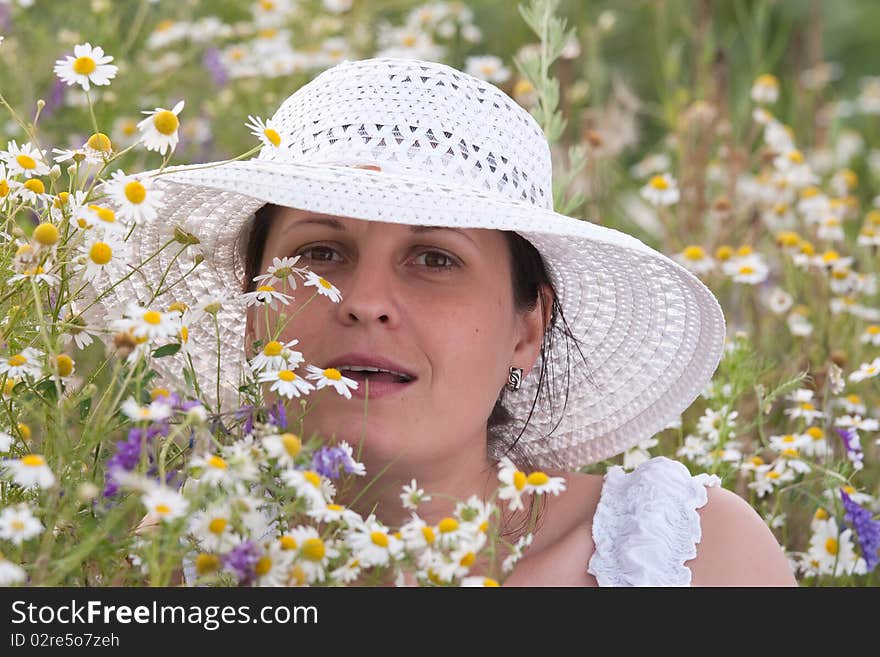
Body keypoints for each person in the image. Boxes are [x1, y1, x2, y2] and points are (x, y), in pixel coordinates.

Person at [103, 57, 796, 586]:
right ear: (254, 307)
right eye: (319, 252)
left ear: (528, 329)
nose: (364, 300)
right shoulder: (168, 553)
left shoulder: (686, 553)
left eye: (434, 258)